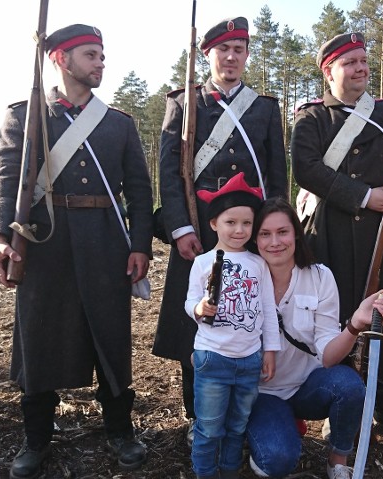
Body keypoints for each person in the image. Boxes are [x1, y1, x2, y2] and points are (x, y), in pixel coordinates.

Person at [0, 25, 154, 478]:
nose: (101, 62)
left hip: (105, 241)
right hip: (44, 243)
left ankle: (120, 430)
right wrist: (1, 237)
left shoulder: (118, 123)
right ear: (61, 59)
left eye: (101, 54)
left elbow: (139, 191)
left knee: (111, 341)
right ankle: (36, 438)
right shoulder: (26, 115)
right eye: (91, 55)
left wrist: (140, 246)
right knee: (38, 340)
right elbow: (6, 182)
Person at [291, 32, 383, 440]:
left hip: (382, 234)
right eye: (349, 62)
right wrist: (363, 196)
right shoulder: (312, 117)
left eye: (362, 60)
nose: (359, 68)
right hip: (333, 234)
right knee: (336, 316)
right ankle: (341, 408)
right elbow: (305, 169)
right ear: (329, 71)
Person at [152, 16, 287, 445]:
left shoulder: (264, 108)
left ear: (247, 55)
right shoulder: (184, 103)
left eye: (240, 50)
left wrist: (269, 232)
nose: (232, 58)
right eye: (223, 50)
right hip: (200, 229)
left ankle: (242, 413)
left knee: (249, 316)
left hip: (246, 229)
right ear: (207, 54)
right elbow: (170, 174)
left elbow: (275, 175)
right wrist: (179, 228)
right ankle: (199, 416)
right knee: (193, 324)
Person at [245, 197, 383, 479]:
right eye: (265, 234)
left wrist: (354, 325)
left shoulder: (319, 277)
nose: (274, 242)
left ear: (296, 234)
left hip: (307, 386)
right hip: (262, 393)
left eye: (283, 232)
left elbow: (328, 356)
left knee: (349, 386)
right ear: (254, 239)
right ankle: (268, 431)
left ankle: (337, 459)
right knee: (277, 461)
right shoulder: (245, 279)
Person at [184, 173, 280, 479]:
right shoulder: (203, 262)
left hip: (250, 359)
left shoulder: (258, 263)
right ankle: (204, 472)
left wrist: (271, 350)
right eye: (230, 222)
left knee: (238, 424)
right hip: (213, 357)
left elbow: (267, 308)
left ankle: (229, 470)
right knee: (210, 426)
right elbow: (189, 302)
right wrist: (199, 309)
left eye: (246, 223)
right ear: (214, 223)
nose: (239, 230)